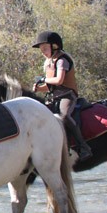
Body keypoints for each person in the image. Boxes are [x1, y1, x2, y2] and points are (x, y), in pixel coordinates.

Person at [31, 31, 93, 161]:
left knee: (64, 116)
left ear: (54, 46)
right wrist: (39, 88)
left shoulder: (62, 60)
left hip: (68, 96)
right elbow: (50, 86)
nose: (42, 52)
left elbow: (59, 80)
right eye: (41, 50)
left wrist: (43, 79)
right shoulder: (48, 62)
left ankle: (83, 147)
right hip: (54, 97)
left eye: (45, 49)